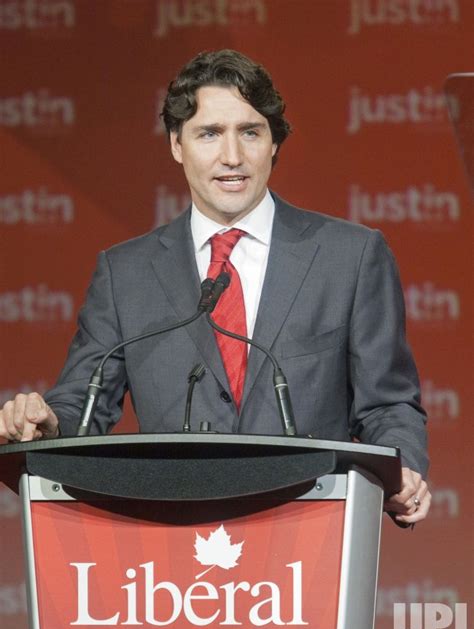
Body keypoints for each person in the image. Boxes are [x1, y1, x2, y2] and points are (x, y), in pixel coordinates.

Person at [0, 50, 430, 523]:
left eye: (250, 132)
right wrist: (46, 424)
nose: (233, 156)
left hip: (310, 533)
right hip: (168, 540)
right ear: (176, 145)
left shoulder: (350, 256)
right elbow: (85, 399)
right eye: (209, 134)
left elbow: (388, 404)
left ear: (273, 144)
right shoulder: (125, 272)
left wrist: (401, 468)